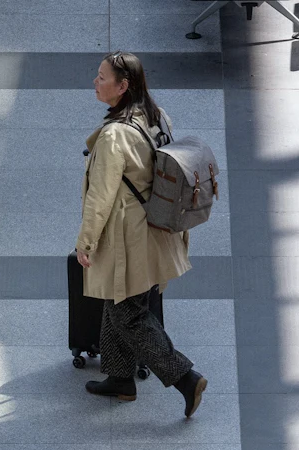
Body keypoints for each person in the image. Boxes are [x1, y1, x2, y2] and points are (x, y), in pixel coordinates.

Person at [76, 52, 208, 419]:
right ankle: (120, 378)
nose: (95, 82)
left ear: (123, 87)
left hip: (128, 236)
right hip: (155, 227)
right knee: (118, 302)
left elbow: (100, 197)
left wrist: (85, 243)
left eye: (102, 77)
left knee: (129, 313)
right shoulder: (156, 115)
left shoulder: (115, 136)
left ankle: (186, 378)